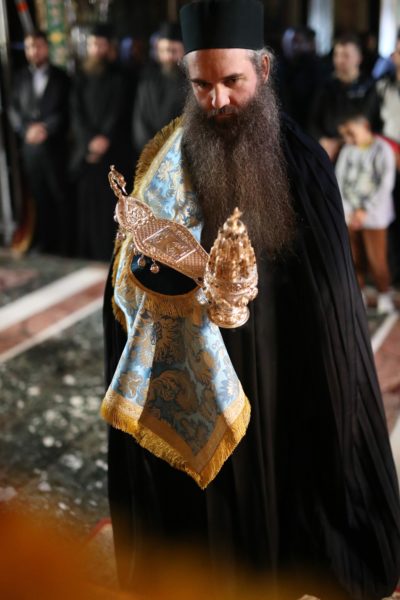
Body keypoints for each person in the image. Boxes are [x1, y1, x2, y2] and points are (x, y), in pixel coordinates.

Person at [101, 1, 400, 599]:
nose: (216, 100)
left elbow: (332, 304)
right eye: (201, 85)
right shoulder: (167, 154)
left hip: (274, 366)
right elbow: (129, 268)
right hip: (187, 366)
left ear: (262, 70)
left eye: (231, 81)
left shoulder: (304, 163)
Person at [69, 23, 129, 261]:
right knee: (87, 207)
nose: (97, 49)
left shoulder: (120, 76)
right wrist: (88, 142)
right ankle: (89, 254)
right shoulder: (80, 76)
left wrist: (104, 139)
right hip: (86, 154)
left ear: (109, 47)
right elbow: (76, 113)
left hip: (112, 153)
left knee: (110, 209)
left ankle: (110, 255)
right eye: (94, 44)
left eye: (102, 44)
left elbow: (118, 112)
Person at [9, 30, 70, 254]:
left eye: (37, 46)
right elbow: (14, 109)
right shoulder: (19, 78)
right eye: (29, 47)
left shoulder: (62, 77)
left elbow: (65, 110)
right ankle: (44, 243)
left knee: (59, 196)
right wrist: (25, 129)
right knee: (39, 197)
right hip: (31, 149)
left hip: (54, 148)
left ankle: (65, 246)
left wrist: (46, 128)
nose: (33, 51)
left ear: (46, 48)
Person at [335, 113, 396, 313]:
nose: (348, 139)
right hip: (350, 215)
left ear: (366, 127)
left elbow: (385, 184)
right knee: (354, 257)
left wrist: (365, 210)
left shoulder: (382, 149)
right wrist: (349, 210)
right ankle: (358, 294)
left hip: (374, 216)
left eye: (351, 133)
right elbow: (338, 179)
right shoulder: (347, 150)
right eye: (345, 135)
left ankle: (383, 294)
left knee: (377, 259)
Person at [309, 33, 380, 162]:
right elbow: (313, 120)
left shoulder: (369, 86)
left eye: (346, 55)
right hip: (327, 154)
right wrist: (322, 140)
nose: (340, 60)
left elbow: (365, 119)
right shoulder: (325, 86)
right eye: (337, 55)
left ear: (359, 58)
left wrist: (339, 142)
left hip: (359, 155)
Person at [132, 22, 186, 156]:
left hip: (182, 155)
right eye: (163, 51)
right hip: (152, 155)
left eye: (173, 51)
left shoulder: (192, 83)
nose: (168, 56)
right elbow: (140, 121)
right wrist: (153, 151)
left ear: (184, 50)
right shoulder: (147, 81)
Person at [376, 33, 400, 284]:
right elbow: (372, 123)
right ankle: (392, 274)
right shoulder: (383, 87)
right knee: (389, 219)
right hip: (389, 159)